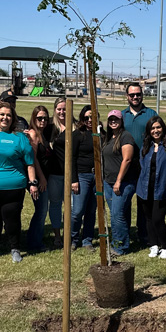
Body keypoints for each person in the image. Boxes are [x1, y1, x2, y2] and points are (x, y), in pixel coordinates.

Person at [0, 102, 38, 263]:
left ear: (13, 118)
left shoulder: (19, 138)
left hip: (13, 187)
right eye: (2, 114)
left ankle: (15, 248)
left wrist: (33, 183)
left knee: (12, 219)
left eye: (9, 115)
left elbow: (30, 163)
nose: (5, 118)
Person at [121, 82, 158, 247]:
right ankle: (125, 232)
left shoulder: (150, 113)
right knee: (125, 201)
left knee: (144, 201)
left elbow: (159, 134)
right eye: (132, 95)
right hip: (126, 165)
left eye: (138, 94)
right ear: (127, 96)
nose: (135, 97)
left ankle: (144, 234)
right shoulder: (121, 116)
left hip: (146, 165)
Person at [102, 110, 140, 256]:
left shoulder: (125, 136)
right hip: (108, 182)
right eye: (111, 119)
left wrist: (118, 181)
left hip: (123, 183)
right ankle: (121, 241)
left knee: (117, 214)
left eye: (116, 119)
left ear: (121, 120)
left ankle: (120, 247)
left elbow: (127, 159)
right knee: (119, 213)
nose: (113, 122)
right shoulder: (109, 137)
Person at [137, 116, 166, 259]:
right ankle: (154, 245)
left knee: (158, 218)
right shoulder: (146, 146)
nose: (156, 130)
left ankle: (165, 246)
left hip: (162, 188)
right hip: (145, 188)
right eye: (152, 128)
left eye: (158, 127)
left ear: (163, 128)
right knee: (148, 219)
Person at [71, 105, 102, 252]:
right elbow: (72, 158)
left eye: (93, 117)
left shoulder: (101, 134)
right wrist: (74, 179)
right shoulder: (77, 134)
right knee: (77, 211)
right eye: (87, 117)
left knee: (91, 210)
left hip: (97, 177)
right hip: (82, 176)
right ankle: (73, 238)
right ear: (82, 118)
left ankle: (87, 240)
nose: (90, 120)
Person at [26, 105, 53, 252]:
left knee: (42, 210)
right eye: (39, 118)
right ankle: (34, 243)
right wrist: (40, 179)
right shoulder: (33, 134)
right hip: (37, 179)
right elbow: (33, 158)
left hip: (44, 178)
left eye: (45, 118)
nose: (42, 121)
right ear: (34, 118)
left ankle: (34, 238)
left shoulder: (42, 133)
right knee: (41, 211)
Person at [44, 97, 69, 248]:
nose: (62, 111)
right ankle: (57, 236)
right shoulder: (49, 128)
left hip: (71, 175)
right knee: (55, 204)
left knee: (72, 207)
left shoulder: (75, 128)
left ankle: (68, 234)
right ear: (55, 110)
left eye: (64, 108)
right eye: (59, 109)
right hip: (54, 174)